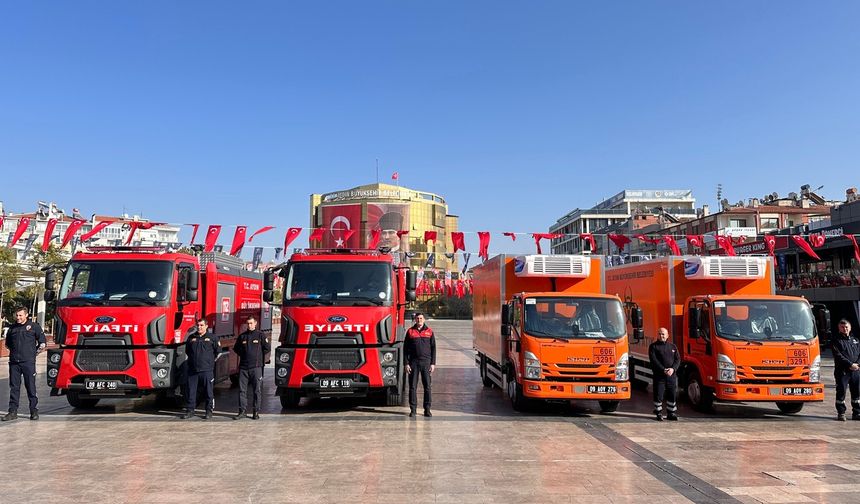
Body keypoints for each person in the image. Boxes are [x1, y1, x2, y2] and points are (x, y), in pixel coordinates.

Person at [2, 307, 46, 421]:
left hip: (28, 363)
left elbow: (42, 343)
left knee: (30, 386)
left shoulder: (34, 327)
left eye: (20, 315)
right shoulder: (12, 328)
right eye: (16, 315)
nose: (18, 317)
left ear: (26, 315)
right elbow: (8, 344)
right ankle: (12, 411)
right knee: (14, 387)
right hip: (14, 363)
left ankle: (33, 410)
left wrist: (33, 354)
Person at [233, 316, 270, 420]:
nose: (249, 325)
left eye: (251, 323)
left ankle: (256, 411)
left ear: (255, 323)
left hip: (256, 368)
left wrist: (258, 358)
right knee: (242, 390)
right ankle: (242, 411)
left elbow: (267, 348)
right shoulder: (242, 337)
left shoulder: (260, 335)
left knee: (256, 390)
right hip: (244, 368)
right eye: (248, 323)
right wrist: (244, 355)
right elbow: (236, 349)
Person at [182, 319, 220, 420]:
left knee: (208, 392)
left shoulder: (212, 338)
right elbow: (188, 351)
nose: (199, 327)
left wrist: (210, 362)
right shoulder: (191, 338)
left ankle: (208, 411)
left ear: (206, 326)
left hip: (207, 370)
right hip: (193, 370)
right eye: (198, 325)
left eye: (202, 325)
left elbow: (218, 352)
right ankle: (190, 411)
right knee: (191, 391)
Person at [405, 312, 436, 418]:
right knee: (412, 387)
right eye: (417, 318)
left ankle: (427, 410)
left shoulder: (429, 332)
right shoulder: (410, 332)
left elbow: (433, 348)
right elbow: (405, 349)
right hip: (413, 363)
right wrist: (406, 363)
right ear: (415, 320)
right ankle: (413, 410)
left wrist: (433, 363)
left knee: (427, 387)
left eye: (421, 318)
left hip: (426, 362)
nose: (419, 320)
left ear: (424, 319)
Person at [649, 327, 680, 421]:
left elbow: (677, 359)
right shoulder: (653, 347)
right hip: (659, 375)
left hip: (671, 375)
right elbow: (654, 360)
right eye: (659, 334)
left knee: (672, 394)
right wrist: (663, 370)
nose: (661, 335)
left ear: (667, 336)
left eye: (663, 334)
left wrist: (673, 369)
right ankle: (658, 413)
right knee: (659, 394)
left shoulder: (673, 347)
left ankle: (671, 413)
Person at [831, 319, 860, 421]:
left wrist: (857, 365)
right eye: (842, 327)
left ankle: (857, 412)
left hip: (856, 371)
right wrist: (850, 364)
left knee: (856, 392)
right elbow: (838, 356)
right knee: (841, 392)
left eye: (846, 327)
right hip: (842, 371)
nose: (845, 329)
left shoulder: (855, 340)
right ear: (839, 328)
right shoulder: (836, 341)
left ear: (850, 327)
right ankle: (841, 413)